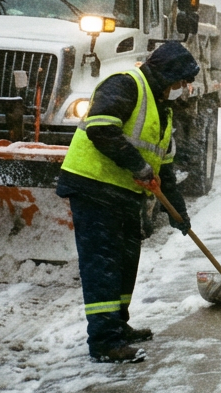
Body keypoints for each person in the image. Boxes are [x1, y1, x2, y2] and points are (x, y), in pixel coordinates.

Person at [58, 41, 199, 363]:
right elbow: (101, 129)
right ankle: (105, 342)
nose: (183, 89)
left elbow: (166, 172)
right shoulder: (125, 84)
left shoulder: (163, 112)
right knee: (103, 265)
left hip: (123, 194)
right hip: (93, 187)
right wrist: (137, 165)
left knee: (124, 262)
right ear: (167, 76)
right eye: (180, 82)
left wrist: (179, 214)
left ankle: (118, 326)